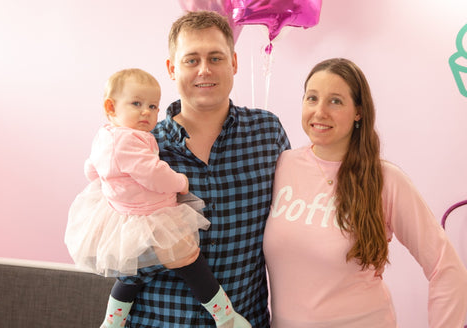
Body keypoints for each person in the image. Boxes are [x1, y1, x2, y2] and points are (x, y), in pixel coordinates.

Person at [117, 11, 290, 327]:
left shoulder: (268, 134)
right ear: (172, 68)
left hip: (244, 320)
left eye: (215, 58)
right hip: (156, 321)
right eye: (191, 60)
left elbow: (294, 223)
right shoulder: (137, 148)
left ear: (234, 63)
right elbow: (116, 252)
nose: (204, 70)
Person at [263, 57, 467, 327]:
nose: (320, 111)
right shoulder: (282, 166)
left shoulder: (385, 180)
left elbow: (446, 266)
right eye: (312, 98)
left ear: (358, 111)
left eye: (335, 101)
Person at [64, 68, 252, 328]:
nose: (146, 112)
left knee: (133, 275)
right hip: (152, 214)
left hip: (126, 216)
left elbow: (91, 169)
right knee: (191, 261)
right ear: (111, 106)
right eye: (136, 104)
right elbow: (153, 173)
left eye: (152, 106)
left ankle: (112, 321)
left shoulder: (105, 136)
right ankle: (225, 316)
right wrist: (180, 182)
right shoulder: (129, 141)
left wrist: (110, 180)